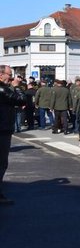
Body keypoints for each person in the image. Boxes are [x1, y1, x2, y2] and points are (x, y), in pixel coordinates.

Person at [0, 65, 26, 205]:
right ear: (1, 75)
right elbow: (21, 100)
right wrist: (16, 86)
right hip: (2, 129)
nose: (11, 77)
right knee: (2, 163)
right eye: (9, 75)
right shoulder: (3, 89)